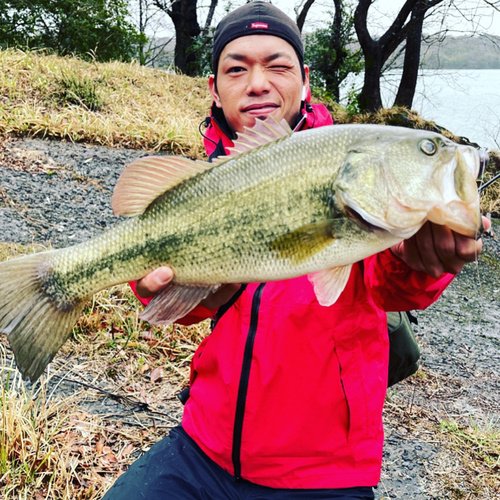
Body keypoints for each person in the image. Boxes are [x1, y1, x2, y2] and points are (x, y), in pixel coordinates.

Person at [103, 2, 488, 499]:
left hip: (324, 474)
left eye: (277, 66)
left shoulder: (351, 175)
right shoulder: (206, 180)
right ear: (214, 90)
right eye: (236, 68)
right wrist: (172, 288)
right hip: (204, 446)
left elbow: (392, 284)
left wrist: (424, 260)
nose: (257, 83)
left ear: (304, 80)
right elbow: (180, 306)